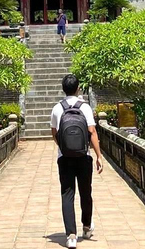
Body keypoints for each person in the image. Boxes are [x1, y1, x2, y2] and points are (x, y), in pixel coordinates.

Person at [51, 74, 103, 248]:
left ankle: (71, 235)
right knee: (85, 192)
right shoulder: (85, 107)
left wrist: (64, 147)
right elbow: (92, 132)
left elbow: (54, 133)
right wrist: (98, 155)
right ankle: (86, 227)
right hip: (83, 156)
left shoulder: (57, 108)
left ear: (63, 88)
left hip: (64, 158)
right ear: (78, 88)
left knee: (67, 194)